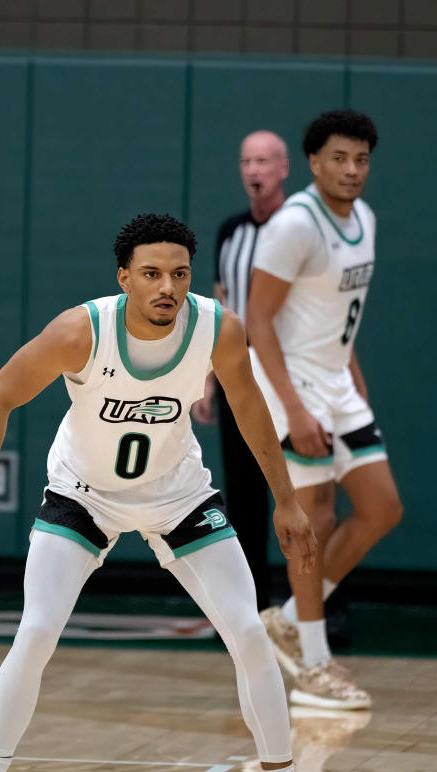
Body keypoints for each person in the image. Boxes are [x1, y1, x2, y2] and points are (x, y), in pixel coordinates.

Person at [0, 213, 342, 772]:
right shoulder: (82, 331)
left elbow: (249, 407)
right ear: (124, 277)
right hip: (83, 494)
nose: (167, 287)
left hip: (178, 494)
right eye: (152, 274)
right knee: (37, 631)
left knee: (248, 631)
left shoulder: (216, 327)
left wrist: (287, 500)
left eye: (179, 274)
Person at [247, 111, 403, 710]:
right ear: (313, 162)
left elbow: (338, 316)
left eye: (361, 159)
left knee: (382, 507)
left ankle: (288, 620)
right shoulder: (295, 225)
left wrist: (351, 375)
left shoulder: (365, 218)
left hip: (335, 380)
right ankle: (313, 664)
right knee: (313, 517)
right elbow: (258, 320)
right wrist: (292, 408)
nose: (351, 169)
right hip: (291, 382)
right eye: (339, 158)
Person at [193, 131, 289, 610]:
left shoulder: (300, 229)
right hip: (241, 377)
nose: (254, 170)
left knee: (307, 494)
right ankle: (250, 608)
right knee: (244, 496)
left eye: (264, 161)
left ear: (284, 169)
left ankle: (320, 610)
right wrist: (208, 379)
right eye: (246, 161)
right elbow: (223, 309)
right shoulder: (231, 231)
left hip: (294, 378)